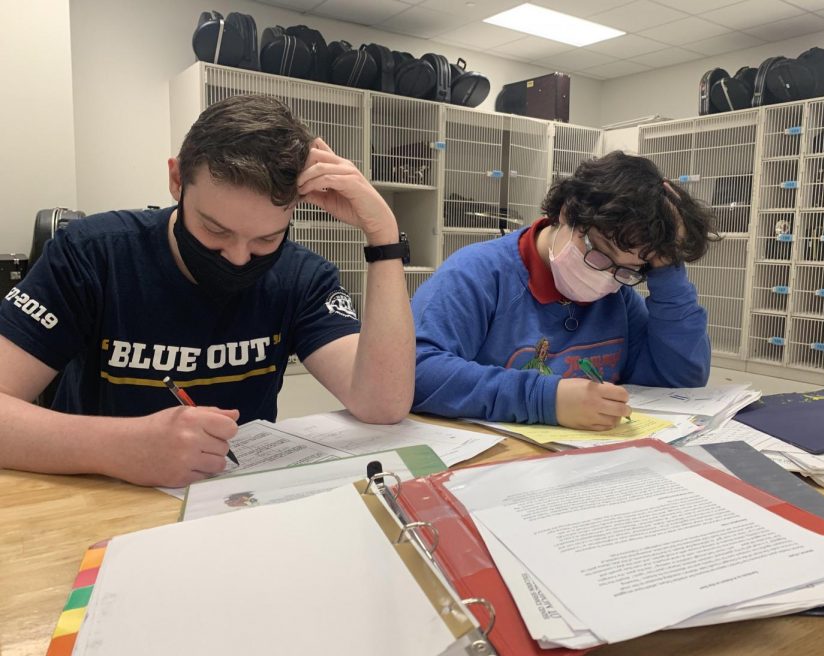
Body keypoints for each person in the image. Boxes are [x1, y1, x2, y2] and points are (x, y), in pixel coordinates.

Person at [0, 94, 414, 487]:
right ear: (177, 179)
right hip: (98, 496)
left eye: (266, 240)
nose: (237, 258)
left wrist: (383, 237)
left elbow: (382, 405)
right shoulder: (93, 255)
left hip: (231, 500)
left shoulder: (300, 276)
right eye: (215, 230)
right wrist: (120, 445)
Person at [412, 151, 716, 431]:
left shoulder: (617, 295)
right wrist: (545, 399)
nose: (604, 277)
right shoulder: (477, 273)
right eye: (600, 253)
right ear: (569, 212)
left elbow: (679, 385)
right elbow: (413, 372)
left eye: (628, 269)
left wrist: (667, 266)